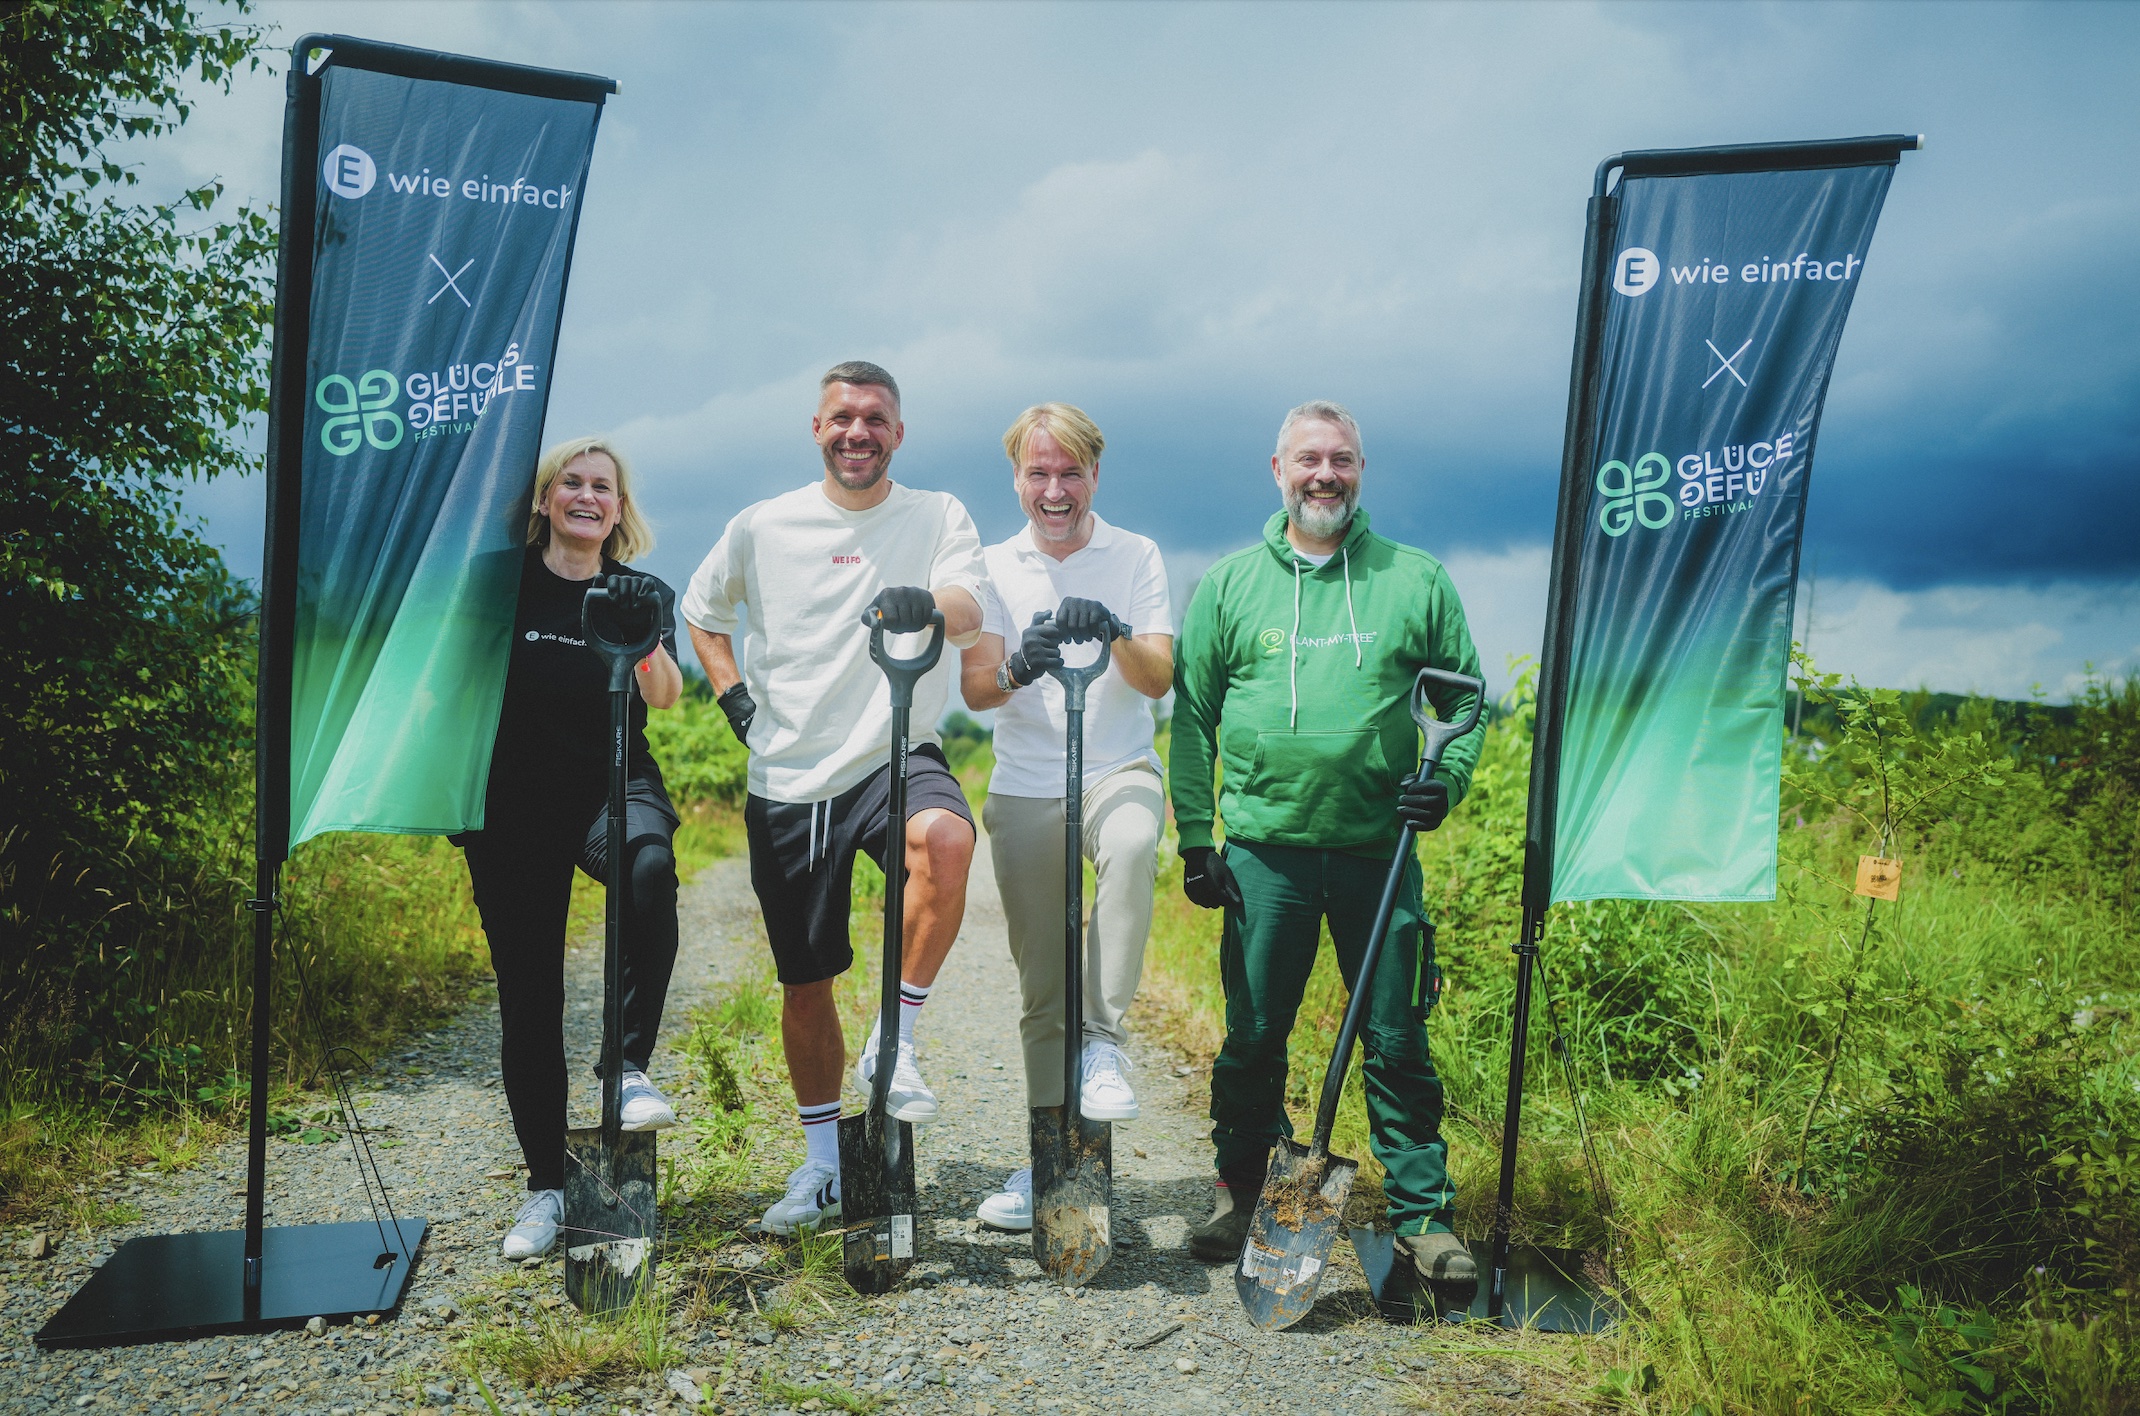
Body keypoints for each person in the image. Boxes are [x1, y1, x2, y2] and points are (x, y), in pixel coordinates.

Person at [1169, 400, 1487, 1289]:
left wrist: (1445, 782)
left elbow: (1465, 705)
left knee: (1396, 1038)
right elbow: (1192, 717)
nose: (1325, 475)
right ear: (1277, 470)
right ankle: (1243, 1191)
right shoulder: (1230, 585)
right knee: (1254, 1036)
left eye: (1341, 460)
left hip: (1378, 855)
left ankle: (1424, 1218)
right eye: (1309, 459)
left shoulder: (1414, 579)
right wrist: (1198, 838)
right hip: (1265, 852)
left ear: (1360, 471)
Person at [681, 361, 986, 1236]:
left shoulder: (935, 515)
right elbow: (702, 612)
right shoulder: (761, 525)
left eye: (877, 419)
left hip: (896, 748)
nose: (859, 432)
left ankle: (899, 1037)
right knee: (806, 980)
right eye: (843, 418)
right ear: (816, 428)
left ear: (899, 432)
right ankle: (821, 1167)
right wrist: (734, 694)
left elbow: (966, 608)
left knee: (949, 841)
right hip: (791, 775)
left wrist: (923, 598)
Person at [458, 436, 688, 1262]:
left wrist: (644, 633)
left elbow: (668, 693)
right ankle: (547, 1188)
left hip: (611, 786)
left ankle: (626, 1067)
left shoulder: (640, 588)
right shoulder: (501, 584)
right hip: (510, 804)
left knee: (650, 872)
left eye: (604, 487)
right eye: (573, 483)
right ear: (546, 498)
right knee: (530, 997)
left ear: (620, 510)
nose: (588, 496)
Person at [957, 403, 1173, 1232]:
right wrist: (1022, 663)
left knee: (1130, 840)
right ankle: (1048, 1160)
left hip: (1116, 767)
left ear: (1094, 475)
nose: (1055, 489)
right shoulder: (992, 564)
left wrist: (1111, 630)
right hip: (1027, 779)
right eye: (1038, 473)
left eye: (1070, 471)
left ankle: (1107, 1043)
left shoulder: (1136, 554)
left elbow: (1156, 678)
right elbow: (977, 689)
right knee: (1042, 985)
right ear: (1017, 479)